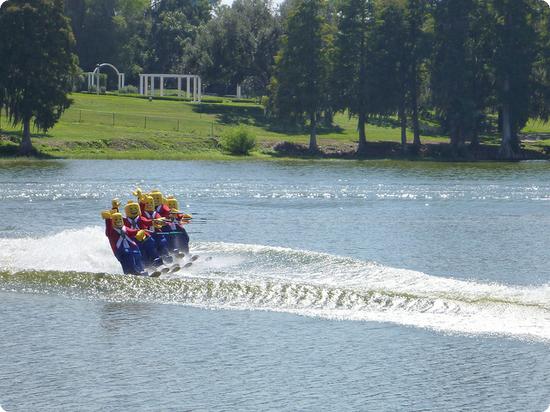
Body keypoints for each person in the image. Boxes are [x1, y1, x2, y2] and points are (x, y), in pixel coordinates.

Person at [101, 210, 148, 276]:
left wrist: (140, 231)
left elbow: (133, 231)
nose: (118, 221)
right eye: (116, 220)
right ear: (112, 221)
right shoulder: (111, 231)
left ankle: (141, 271)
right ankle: (133, 273)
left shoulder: (125, 228)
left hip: (131, 248)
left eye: (120, 219)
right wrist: (107, 220)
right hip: (120, 251)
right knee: (128, 256)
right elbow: (108, 230)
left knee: (137, 254)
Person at [123, 200, 162, 268]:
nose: (133, 210)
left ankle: (159, 263)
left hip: (145, 237)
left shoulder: (141, 218)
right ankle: (147, 266)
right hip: (134, 240)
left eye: (135, 208)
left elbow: (147, 222)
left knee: (151, 245)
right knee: (141, 252)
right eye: (131, 209)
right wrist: (115, 208)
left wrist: (155, 222)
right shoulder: (125, 221)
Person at [141, 195, 173, 262]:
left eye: (151, 203)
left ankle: (166, 256)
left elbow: (160, 219)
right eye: (147, 203)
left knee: (162, 241)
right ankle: (155, 260)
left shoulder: (155, 213)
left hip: (157, 233)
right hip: (147, 234)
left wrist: (162, 222)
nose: (149, 205)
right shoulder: (142, 214)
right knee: (151, 244)